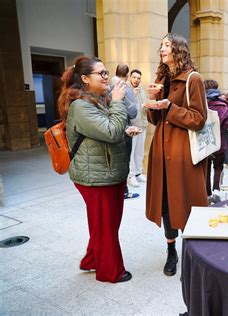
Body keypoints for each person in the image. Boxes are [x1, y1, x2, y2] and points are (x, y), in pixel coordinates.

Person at [58, 56, 132, 283]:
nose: (106, 76)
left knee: (105, 223)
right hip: (96, 177)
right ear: (84, 79)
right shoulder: (80, 106)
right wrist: (118, 101)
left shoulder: (97, 100)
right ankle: (111, 271)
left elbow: (109, 129)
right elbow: (110, 131)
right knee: (106, 226)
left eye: (106, 71)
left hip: (108, 172)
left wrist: (125, 129)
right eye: (100, 73)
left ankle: (91, 260)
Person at [144, 33, 208, 277]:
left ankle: (195, 254)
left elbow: (199, 119)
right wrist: (152, 101)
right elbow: (155, 119)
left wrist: (170, 107)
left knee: (187, 202)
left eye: (167, 45)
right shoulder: (161, 79)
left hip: (183, 153)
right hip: (161, 151)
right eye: (161, 45)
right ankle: (172, 252)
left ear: (178, 49)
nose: (162, 49)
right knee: (165, 205)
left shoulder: (193, 79)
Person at [110, 64, 140, 199]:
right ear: (127, 76)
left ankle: (114, 192)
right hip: (124, 129)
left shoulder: (106, 86)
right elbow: (133, 113)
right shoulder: (125, 89)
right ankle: (123, 191)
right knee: (124, 161)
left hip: (108, 128)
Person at [205, 79, 228, 203]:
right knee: (218, 168)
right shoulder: (223, 105)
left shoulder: (201, 103)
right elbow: (225, 126)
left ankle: (207, 194)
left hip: (205, 144)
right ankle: (216, 192)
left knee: (206, 169)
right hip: (220, 142)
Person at [127, 69, 148, 187]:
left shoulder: (142, 90)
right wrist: (133, 97)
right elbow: (127, 107)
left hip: (142, 125)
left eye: (138, 78)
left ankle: (138, 173)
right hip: (132, 126)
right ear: (130, 77)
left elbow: (144, 105)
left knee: (139, 151)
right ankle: (131, 175)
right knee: (131, 152)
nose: (136, 80)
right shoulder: (127, 90)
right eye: (134, 77)